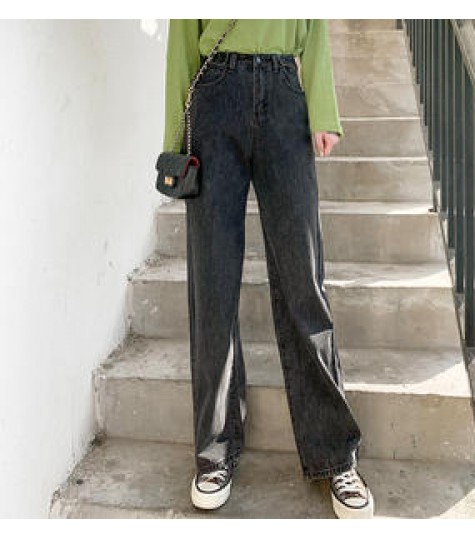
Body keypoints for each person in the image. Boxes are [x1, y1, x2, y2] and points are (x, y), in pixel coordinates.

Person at [163, 19, 374, 519]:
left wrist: (323, 109)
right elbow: (181, 40)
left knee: (304, 280)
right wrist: (176, 140)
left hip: (284, 94)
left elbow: (314, 28)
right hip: (214, 97)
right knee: (213, 283)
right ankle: (214, 451)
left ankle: (334, 453)